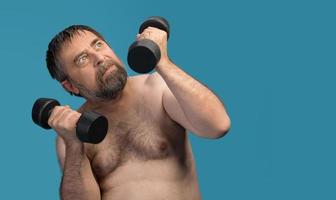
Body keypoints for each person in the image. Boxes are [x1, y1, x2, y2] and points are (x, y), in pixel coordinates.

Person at [45, 24, 231, 200]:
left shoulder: (157, 89)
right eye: (82, 59)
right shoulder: (73, 133)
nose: (100, 58)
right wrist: (74, 143)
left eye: (98, 45)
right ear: (70, 86)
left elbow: (217, 125)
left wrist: (163, 62)